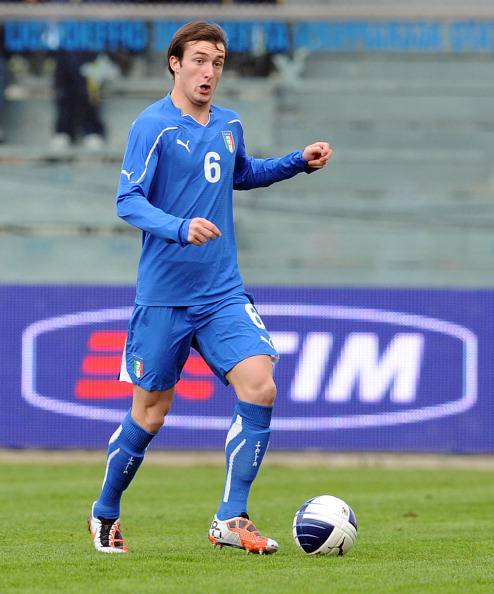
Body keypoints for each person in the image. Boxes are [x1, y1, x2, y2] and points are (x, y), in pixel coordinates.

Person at [88, 21, 331, 555]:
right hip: (164, 297)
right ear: (174, 63)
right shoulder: (152, 126)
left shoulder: (229, 123)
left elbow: (241, 173)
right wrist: (180, 227)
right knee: (150, 414)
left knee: (260, 386)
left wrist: (296, 162)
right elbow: (127, 200)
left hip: (222, 292)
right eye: (199, 59)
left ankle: (230, 517)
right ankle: (105, 511)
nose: (209, 71)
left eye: (217, 62)